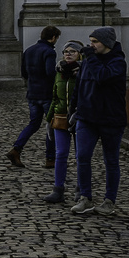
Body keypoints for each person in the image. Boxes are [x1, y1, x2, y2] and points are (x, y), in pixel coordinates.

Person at [71, 26, 128, 216]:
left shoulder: (118, 62)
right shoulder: (89, 61)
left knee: (111, 161)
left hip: (111, 119)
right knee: (82, 157)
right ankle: (85, 197)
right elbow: (79, 86)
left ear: (107, 43)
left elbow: (102, 76)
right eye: (90, 41)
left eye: (95, 42)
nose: (91, 45)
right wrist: (74, 110)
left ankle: (109, 201)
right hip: (87, 118)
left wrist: (91, 58)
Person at [8, 25, 60, 168]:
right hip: (46, 95)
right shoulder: (49, 51)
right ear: (53, 38)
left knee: (33, 124)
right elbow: (50, 73)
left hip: (32, 94)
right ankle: (50, 159)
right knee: (51, 126)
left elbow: (24, 73)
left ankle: (16, 148)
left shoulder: (29, 50)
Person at [43, 40, 82, 204]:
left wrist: (79, 113)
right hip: (60, 117)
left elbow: (87, 96)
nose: (68, 53)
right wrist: (49, 120)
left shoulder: (84, 71)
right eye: (66, 51)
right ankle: (58, 189)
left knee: (81, 156)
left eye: (73, 51)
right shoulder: (59, 71)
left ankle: (82, 190)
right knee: (60, 154)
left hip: (80, 118)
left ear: (80, 54)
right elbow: (54, 97)